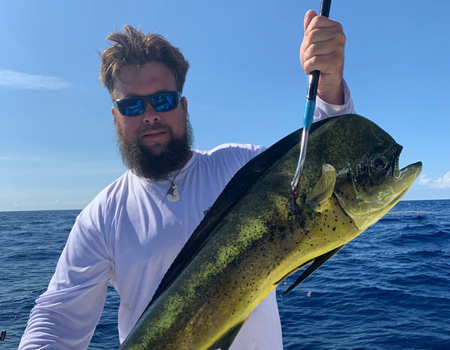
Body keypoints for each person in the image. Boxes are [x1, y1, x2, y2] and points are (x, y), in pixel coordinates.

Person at [19, 9, 354, 349]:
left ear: (184, 106)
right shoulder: (101, 216)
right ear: (115, 117)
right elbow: (56, 321)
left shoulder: (241, 165)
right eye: (132, 106)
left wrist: (328, 86)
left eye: (162, 101)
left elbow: (322, 167)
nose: (150, 115)